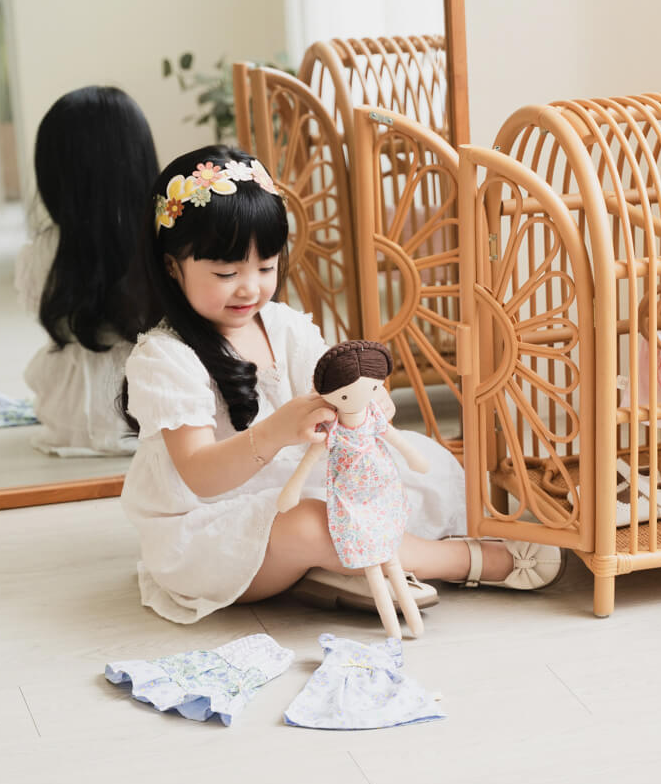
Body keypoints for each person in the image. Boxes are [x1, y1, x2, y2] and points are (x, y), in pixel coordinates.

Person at [120, 145, 563, 625]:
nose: (249, 287)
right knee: (314, 523)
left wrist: (366, 403)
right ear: (172, 267)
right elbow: (201, 477)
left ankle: (336, 569)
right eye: (226, 273)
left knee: (415, 467)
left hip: (295, 488)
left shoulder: (283, 326)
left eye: (266, 267)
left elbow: (339, 385)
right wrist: (276, 431)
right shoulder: (165, 356)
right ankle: (460, 560)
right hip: (209, 528)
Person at [15, 85, 158, 455]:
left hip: (71, 416)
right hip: (156, 404)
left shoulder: (41, 252)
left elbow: (38, 308)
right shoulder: (166, 241)